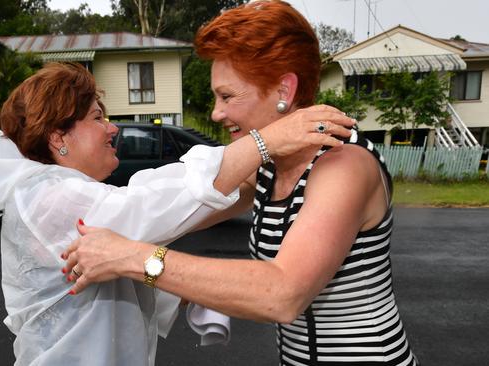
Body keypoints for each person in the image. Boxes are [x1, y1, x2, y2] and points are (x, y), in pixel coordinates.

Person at [63, 1, 419, 365]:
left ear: (284, 90)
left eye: (227, 96)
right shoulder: (266, 167)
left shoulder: (343, 164)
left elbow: (282, 294)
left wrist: (132, 258)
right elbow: (174, 209)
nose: (217, 112)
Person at [0, 61, 354, 365]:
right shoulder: (47, 199)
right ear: (58, 137)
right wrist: (264, 143)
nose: (112, 128)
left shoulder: (67, 192)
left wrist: (251, 175)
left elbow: (151, 197)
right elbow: (147, 208)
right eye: (98, 117)